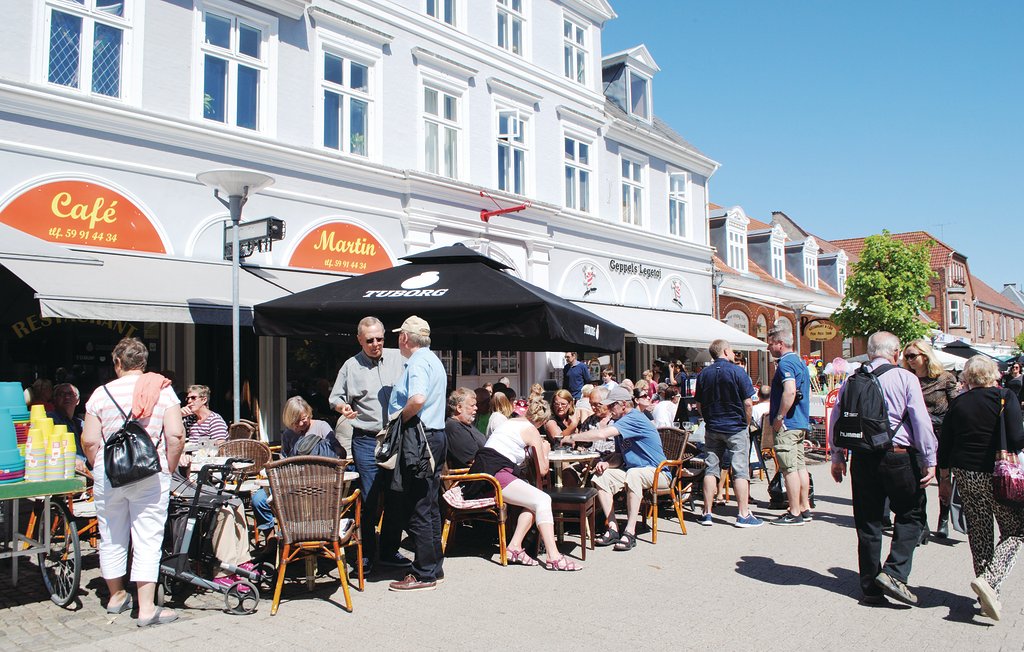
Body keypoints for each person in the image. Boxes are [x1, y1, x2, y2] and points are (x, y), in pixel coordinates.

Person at [81, 337, 185, 627]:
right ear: (143, 363)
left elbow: (89, 440)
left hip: (109, 474)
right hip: (151, 472)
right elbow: (176, 435)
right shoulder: (162, 390)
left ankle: (116, 596)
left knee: (110, 533)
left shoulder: (100, 394)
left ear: (117, 363)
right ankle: (146, 607)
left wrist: (99, 464)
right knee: (147, 537)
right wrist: (169, 466)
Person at [828, 331, 937, 606]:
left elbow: (837, 418)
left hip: (862, 457)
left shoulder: (852, 380)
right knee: (912, 514)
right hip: (898, 456)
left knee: (868, 522)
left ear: (869, 352)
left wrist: (837, 456)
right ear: (896, 352)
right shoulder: (905, 378)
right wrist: (929, 458)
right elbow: (921, 421)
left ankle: (870, 589)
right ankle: (895, 573)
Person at [938, 355, 1024, 621]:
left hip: (965, 472)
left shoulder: (959, 402)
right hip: (998, 474)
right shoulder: (1005, 397)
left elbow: (945, 442)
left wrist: (944, 478)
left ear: (967, 377)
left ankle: (987, 594)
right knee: (1016, 530)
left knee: (979, 531)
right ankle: (990, 580)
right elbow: (1017, 438)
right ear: (994, 374)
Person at [465, 400, 581, 570]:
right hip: (495, 475)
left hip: (483, 473)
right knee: (543, 500)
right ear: (542, 421)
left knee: (533, 502)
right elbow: (543, 470)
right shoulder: (532, 430)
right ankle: (554, 556)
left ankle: (514, 546)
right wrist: (545, 450)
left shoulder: (510, 422)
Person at [328, 316, 405, 572]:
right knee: (370, 497)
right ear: (359, 340)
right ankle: (368, 553)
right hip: (366, 438)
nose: (375, 344)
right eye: (369, 340)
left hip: (395, 436)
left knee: (396, 495)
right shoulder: (351, 366)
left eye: (379, 339)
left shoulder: (398, 357)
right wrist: (343, 407)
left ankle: (390, 550)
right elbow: (335, 397)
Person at [564, 386, 668, 552]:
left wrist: (571, 437)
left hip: (658, 472)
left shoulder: (634, 418)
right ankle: (613, 528)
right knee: (602, 476)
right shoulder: (621, 423)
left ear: (623, 405)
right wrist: (607, 464)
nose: (609, 408)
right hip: (633, 470)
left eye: (612, 405)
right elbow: (620, 456)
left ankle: (630, 532)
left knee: (634, 474)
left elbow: (601, 434)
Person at [386, 316, 448, 592]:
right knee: (430, 504)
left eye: (399, 336)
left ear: (405, 338)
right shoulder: (433, 359)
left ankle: (424, 574)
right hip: (435, 436)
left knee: (419, 506)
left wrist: (399, 419)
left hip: (421, 438)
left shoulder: (418, 363)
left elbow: (418, 399)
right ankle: (433, 566)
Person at [694, 339, 761, 528]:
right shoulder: (738, 372)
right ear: (724, 351)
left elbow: (699, 404)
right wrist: (746, 423)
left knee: (711, 469)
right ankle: (743, 514)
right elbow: (748, 403)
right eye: (731, 350)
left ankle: (707, 512)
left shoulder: (703, 374)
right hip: (735, 426)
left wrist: (708, 418)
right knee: (740, 470)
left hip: (713, 427)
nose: (733, 353)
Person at [901, 339, 959, 539]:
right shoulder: (908, 378)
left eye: (912, 356)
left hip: (942, 433)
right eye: (906, 357)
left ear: (925, 356)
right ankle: (922, 523)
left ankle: (943, 518)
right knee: (919, 478)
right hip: (917, 434)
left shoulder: (945, 378)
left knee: (944, 477)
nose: (909, 360)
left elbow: (956, 407)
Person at [767, 325, 813, 525]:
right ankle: (804, 506)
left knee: (789, 468)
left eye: (770, 343)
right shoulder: (799, 361)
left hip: (788, 423)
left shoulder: (785, 363)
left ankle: (794, 512)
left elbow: (790, 391)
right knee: (800, 466)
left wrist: (779, 417)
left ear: (780, 343)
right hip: (800, 421)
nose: (769, 347)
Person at [49, 383, 86, 472]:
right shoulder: (49, 419)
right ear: (54, 399)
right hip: (64, 469)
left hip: (84, 469)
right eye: (62, 394)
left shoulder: (80, 423)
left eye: (71, 394)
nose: (67, 397)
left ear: (78, 401)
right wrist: (71, 459)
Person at [445, 387, 486, 468]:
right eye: (472, 405)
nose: (476, 408)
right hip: (478, 473)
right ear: (459, 408)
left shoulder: (465, 424)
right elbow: (474, 460)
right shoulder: (454, 428)